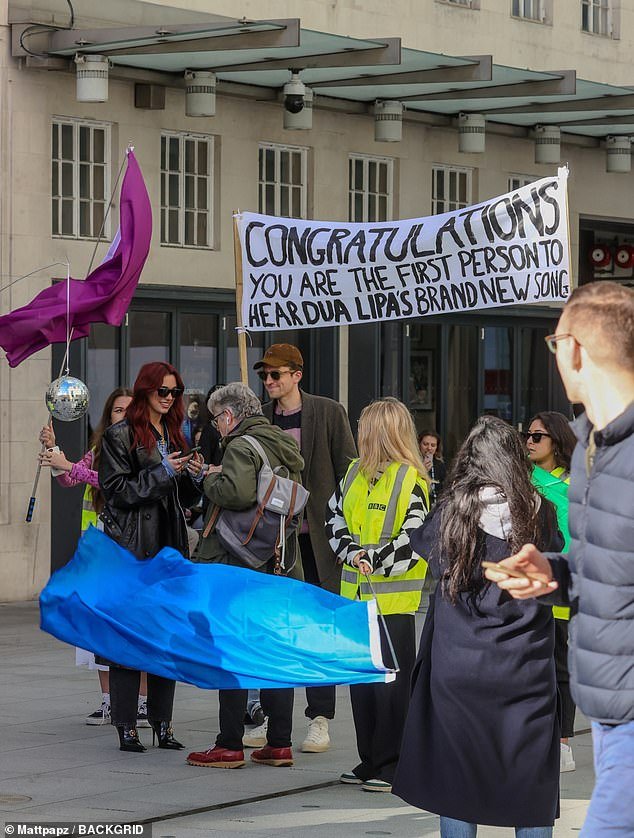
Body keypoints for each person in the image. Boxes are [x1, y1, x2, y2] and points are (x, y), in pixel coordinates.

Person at [485, 281, 634, 837]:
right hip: (611, 707)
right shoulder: (594, 446)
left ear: (574, 350)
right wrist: (554, 574)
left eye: (554, 344)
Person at [393, 415, 563, 837]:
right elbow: (555, 562)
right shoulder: (541, 514)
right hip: (525, 671)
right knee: (531, 784)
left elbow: (423, 549)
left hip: (458, 667)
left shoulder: (452, 514)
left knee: (456, 780)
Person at [186, 382, 305, 770]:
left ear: (230, 416)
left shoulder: (240, 445)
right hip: (278, 560)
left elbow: (235, 494)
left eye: (217, 417)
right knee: (272, 650)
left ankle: (229, 744)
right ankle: (280, 743)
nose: (216, 426)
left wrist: (206, 476)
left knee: (231, 650)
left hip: (240, 562)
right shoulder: (279, 443)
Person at [256, 343, 357, 754]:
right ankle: (266, 717)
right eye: (264, 375)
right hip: (270, 539)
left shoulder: (329, 412)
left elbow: (347, 470)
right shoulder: (258, 419)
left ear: (297, 375)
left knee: (318, 627)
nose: (269, 382)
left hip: (316, 538)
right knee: (271, 627)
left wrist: (343, 533)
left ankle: (319, 718)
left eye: (275, 375)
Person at [98, 361, 203, 753]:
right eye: (162, 391)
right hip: (132, 548)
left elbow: (186, 501)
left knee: (166, 637)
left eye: (175, 392)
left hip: (169, 546)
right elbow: (118, 491)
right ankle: (126, 724)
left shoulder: (176, 434)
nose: (169, 398)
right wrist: (164, 473)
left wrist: (193, 477)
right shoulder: (119, 435)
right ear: (145, 392)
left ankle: (163, 723)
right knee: (129, 639)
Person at [326, 397, 429, 793]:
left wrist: (374, 558)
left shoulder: (411, 480)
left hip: (394, 605)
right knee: (362, 685)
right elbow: (332, 516)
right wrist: (352, 552)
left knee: (391, 689)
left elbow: (415, 540)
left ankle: (392, 764)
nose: (359, 433)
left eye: (365, 427)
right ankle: (369, 759)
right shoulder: (353, 473)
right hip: (357, 599)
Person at [38, 388, 152, 729]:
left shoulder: (142, 451)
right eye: (118, 410)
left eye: (130, 410)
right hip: (97, 551)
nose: (124, 415)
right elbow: (70, 479)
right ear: (109, 415)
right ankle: (109, 703)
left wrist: (67, 463)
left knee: (133, 626)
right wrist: (53, 449)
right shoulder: (99, 449)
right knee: (97, 627)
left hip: (129, 551)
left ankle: (143, 705)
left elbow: (114, 485)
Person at [525, 410, 578, 773]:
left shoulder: (576, 487)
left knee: (559, 666)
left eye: (537, 436)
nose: (529, 440)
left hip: (560, 587)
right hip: (523, 593)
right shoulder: (521, 481)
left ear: (556, 443)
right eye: (527, 434)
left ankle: (562, 742)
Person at [418, 429, 446, 505]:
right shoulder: (413, 463)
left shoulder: (440, 465)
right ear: (419, 444)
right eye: (425, 444)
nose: (429, 448)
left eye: (433, 445)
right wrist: (422, 471)